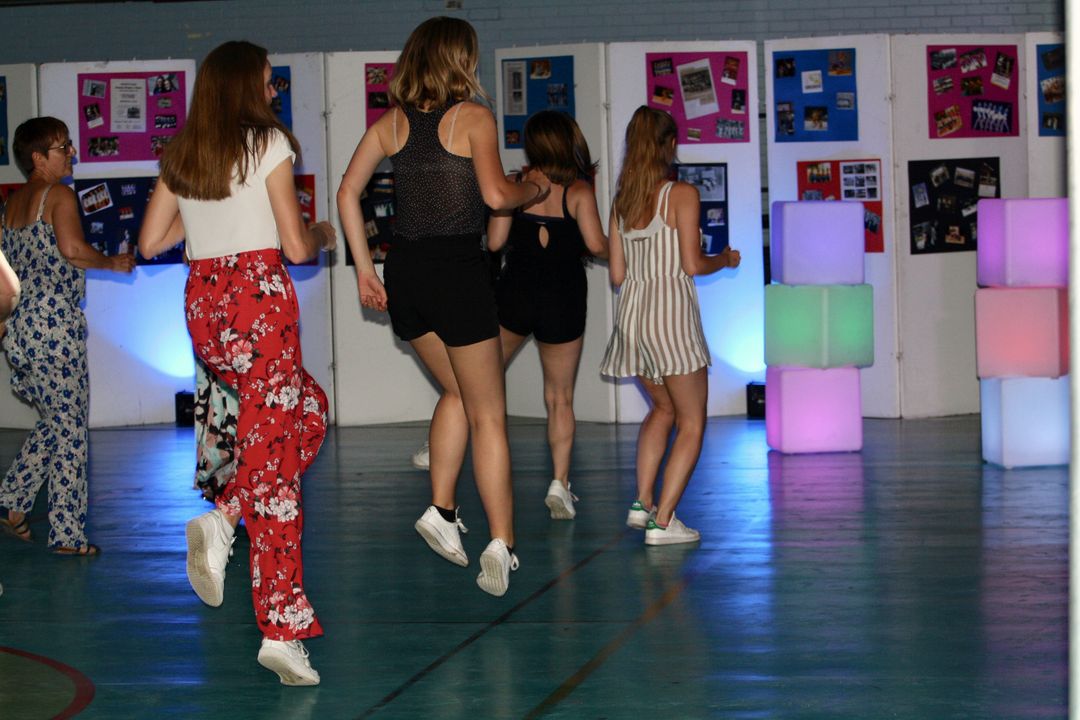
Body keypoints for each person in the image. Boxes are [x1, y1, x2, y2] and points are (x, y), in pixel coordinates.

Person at [139, 40, 336, 686]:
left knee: (307, 413)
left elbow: (150, 240)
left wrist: (204, 224)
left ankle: (225, 516)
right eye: (268, 80)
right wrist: (324, 233)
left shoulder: (183, 154)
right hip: (258, 300)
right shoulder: (268, 143)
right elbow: (296, 247)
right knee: (275, 474)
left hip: (205, 305)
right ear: (246, 85)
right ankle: (281, 630)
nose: (274, 90)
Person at [337, 16, 550, 597]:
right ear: (461, 60)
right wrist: (533, 188)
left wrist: (365, 269)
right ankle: (502, 542)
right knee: (489, 414)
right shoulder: (473, 117)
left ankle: (442, 509)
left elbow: (347, 192)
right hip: (456, 272)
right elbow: (496, 196)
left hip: (406, 273)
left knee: (457, 392)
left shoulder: (392, 123)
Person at [600, 106, 741, 546]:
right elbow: (692, 264)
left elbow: (617, 275)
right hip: (671, 319)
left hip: (634, 319)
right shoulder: (681, 194)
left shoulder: (622, 202)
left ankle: (642, 503)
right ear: (670, 145)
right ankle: (663, 521)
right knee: (692, 423)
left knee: (661, 410)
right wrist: (725, 259)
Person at [0, 117, 135, 555]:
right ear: (39, 158)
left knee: (56, 422)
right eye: (63, 147)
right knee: (72, 430)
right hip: (54, 326)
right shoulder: (57, 195)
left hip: (21, 328)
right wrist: (112, 262)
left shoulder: (11, 206)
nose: (72, 153)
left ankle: (12, 501)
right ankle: (67, 535)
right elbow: (72, 250)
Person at [487, 110, 608, 520]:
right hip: (563, 299)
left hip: (515, 296)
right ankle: (559, 483)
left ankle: (441, 443)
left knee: (479, 381)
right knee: (559, 397)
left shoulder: (517, 186)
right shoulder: (579, 191)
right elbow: (596, 245)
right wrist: (624, 250)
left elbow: (495, 242)